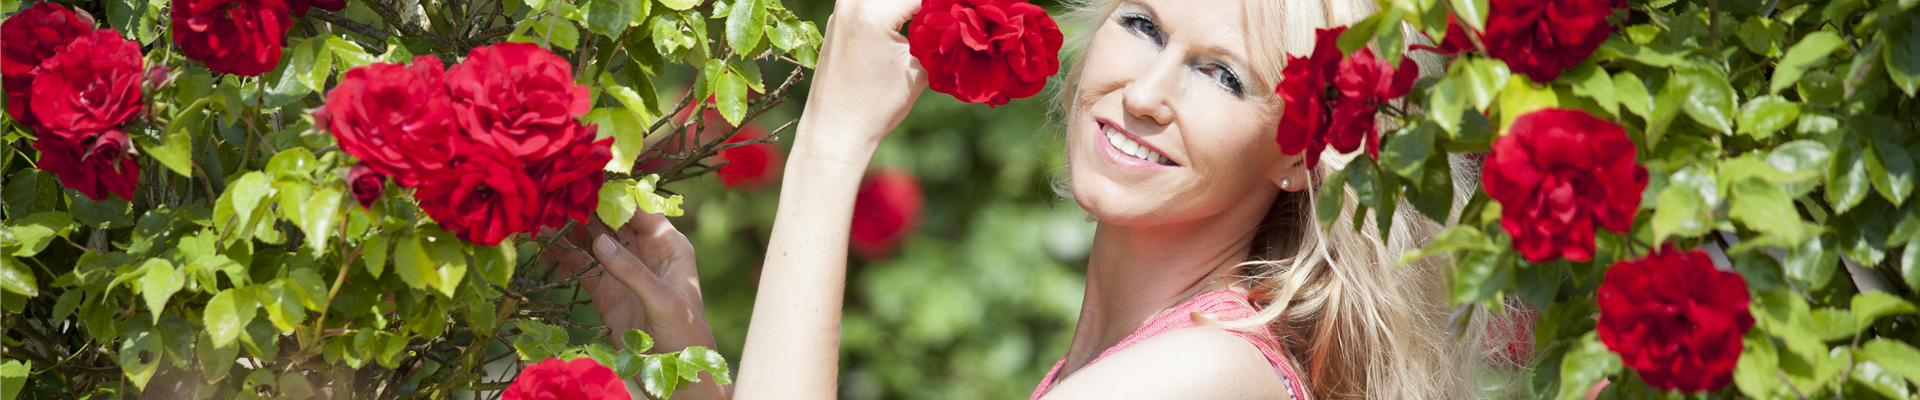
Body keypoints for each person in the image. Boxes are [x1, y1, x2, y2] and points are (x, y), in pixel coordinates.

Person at [545, 0, 1501, 398]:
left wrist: (831, 147)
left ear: (1302, 155)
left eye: (1221, 77)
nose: (1146, 92)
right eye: (1142, 24)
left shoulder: (1203, 374)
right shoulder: (1144, 354)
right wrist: (696, 368)